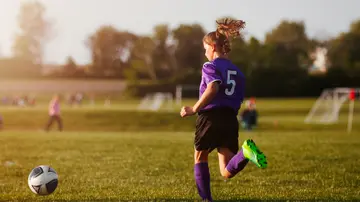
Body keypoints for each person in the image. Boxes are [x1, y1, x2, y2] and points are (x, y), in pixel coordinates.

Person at [180, 18, 267, 202]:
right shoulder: (238, 72)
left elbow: (213, 88)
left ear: (212, 47)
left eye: (205, 49)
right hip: (230, 119)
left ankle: (206, 199)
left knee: (200, 157)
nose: (205, 54)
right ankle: (245, 153)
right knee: (226, 171)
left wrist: (194, 108)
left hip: (211, 117)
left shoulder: (210, 66)